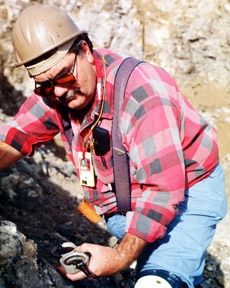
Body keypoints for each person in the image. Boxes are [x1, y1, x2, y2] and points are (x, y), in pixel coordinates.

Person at [0, 4, 227, 288]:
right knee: (145, 247)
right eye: (44, 86)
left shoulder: (142, 94)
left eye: (64, 77)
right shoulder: (59, 91)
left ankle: (169, 266)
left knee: (157, 280)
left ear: (85, 52)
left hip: (188, 193)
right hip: (128, 200)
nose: (58, 92)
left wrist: (119, 257)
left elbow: (162, 191)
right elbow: (14, 137)